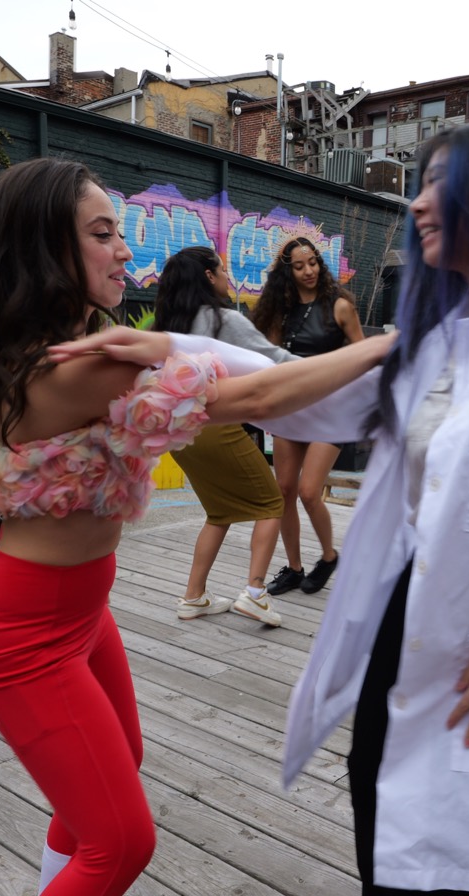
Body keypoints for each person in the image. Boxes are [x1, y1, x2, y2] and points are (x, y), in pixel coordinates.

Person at [56, 117, 469, 896]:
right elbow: (295, 392)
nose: (418, 205)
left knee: (453, 859)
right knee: (380, 802)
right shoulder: (444, 339)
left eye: (441, 185)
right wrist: (171, 350)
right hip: (401, 617)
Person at [0, 157, 391, 896]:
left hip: (77, 612)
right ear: (47, 248)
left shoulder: (64, 345)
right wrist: (398, 344)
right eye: (103, 234)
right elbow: (264, 391)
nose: (126, 250)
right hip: (24, 635)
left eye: (121, 232)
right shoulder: (73, 366)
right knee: (122, 843)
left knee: (114, 773)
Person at [151, 245, 297, 626]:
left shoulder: (166, 326)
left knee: (219, 512)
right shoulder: (222, 320)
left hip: (180, 435)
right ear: (208, 277)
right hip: (216, 427)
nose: (227, 277)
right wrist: (330, 371)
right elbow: (275, 361)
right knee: (271, 504)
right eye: (222, 270)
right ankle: (254, 593)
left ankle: (193, 597)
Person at [249, 236, 364, 596]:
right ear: (288, 272)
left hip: (332, 410)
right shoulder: (277, 310)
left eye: (312, 262)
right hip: (292, 409)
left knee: (310, 491)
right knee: (283, 490)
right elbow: (267, 357)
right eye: (299, 266)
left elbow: (364, 356)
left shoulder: (340, 305)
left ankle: (329, 557)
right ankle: (294, 568)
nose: (308, 270)